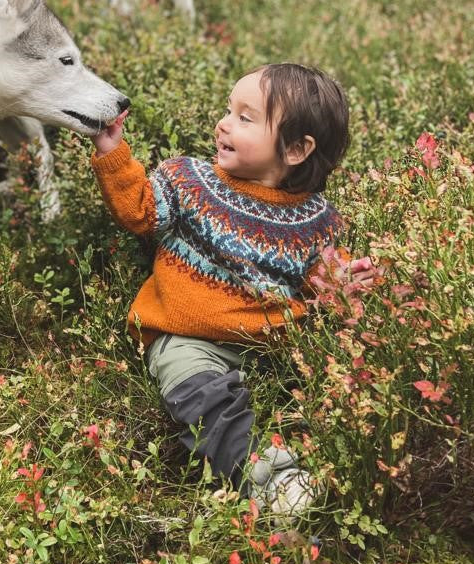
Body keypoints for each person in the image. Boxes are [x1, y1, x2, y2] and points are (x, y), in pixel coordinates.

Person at [90, 63, 350, 523]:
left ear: (295, 149)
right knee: (207, 402)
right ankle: (268, 479)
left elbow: (315, 285)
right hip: (187, 338)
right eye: (228, 110)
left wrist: (344, 286)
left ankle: (341, 461)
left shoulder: (317, 220)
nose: (223, 123)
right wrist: (112, 151)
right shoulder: (190, 181)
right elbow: (140, 212)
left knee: (319, 389)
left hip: (268, 346)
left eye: (245, 118)